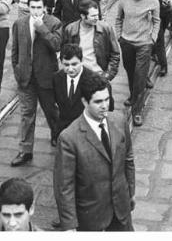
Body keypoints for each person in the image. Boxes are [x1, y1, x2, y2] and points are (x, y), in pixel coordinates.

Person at [54, 73, 135, 231]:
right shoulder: (69, 138)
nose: (105, 106)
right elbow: (64, 186)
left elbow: (128, 158)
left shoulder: (119, 121)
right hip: (92, 219)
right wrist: (70, 225)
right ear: (84, 102)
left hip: (122, 212)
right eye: (98, 102)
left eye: (107, 99)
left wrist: (131, 192)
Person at [11, 0, 62, 166]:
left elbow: (56, 45)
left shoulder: (53, 23)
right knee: (27, 115)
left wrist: (42, 29)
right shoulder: (20, 23)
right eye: (32, 7)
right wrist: (17, 70)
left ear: (45, 8)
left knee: (51, 112)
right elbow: (15, 51)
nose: (35, 11)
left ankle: (57, 135)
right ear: (28, 7)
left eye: (39, 7)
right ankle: (25, 151)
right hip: (26, 77)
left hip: (46, 77)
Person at [115, 0, 160, 127]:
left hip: (144, 44)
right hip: (126, 42)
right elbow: (118, 18)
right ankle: (134, 95)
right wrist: (119, 36)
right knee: (130, 70)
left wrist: (152, 38)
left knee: (140, 76)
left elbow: (156, 21)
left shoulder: (152, 0)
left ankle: (137, 110)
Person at [62, 0, 120, 83]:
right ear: (82, 16)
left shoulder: (105, 28)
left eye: (97, 15)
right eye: (93, 16)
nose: (96, 18)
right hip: (77, 77)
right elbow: (64, 54)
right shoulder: (70, 29)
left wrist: (107, 76)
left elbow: (115, 54)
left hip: (99, 76)